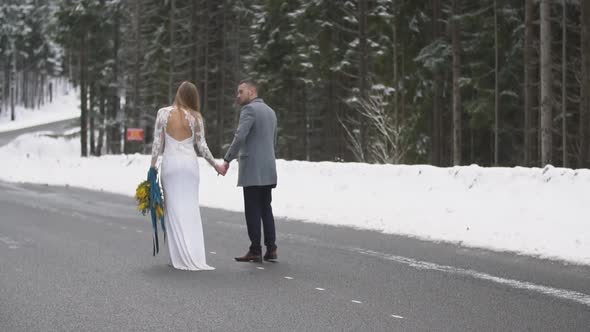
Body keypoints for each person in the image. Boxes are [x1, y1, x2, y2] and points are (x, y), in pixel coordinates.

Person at [150, 81, 224, 270]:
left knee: (173, 209)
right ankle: (194, 254)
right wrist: (216, 165)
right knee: (190, 210)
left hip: (171, 165)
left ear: (178, 94)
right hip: (190, 166)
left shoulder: (163, 113)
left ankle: (178, 257)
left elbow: (158, 144)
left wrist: (152, 168)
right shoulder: (196, 117)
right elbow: (202, 146)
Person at [219, 79, 278, 263]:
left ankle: (255, 249)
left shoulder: (249, 110)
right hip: (268, 167)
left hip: (252, 168)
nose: (238, 96)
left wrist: (227, 158)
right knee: (266, 208)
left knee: (252, 209)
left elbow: (240, 137)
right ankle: (272, 248)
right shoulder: (271, 111)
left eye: (241, 91)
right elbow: (272, 141)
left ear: (252, 92)